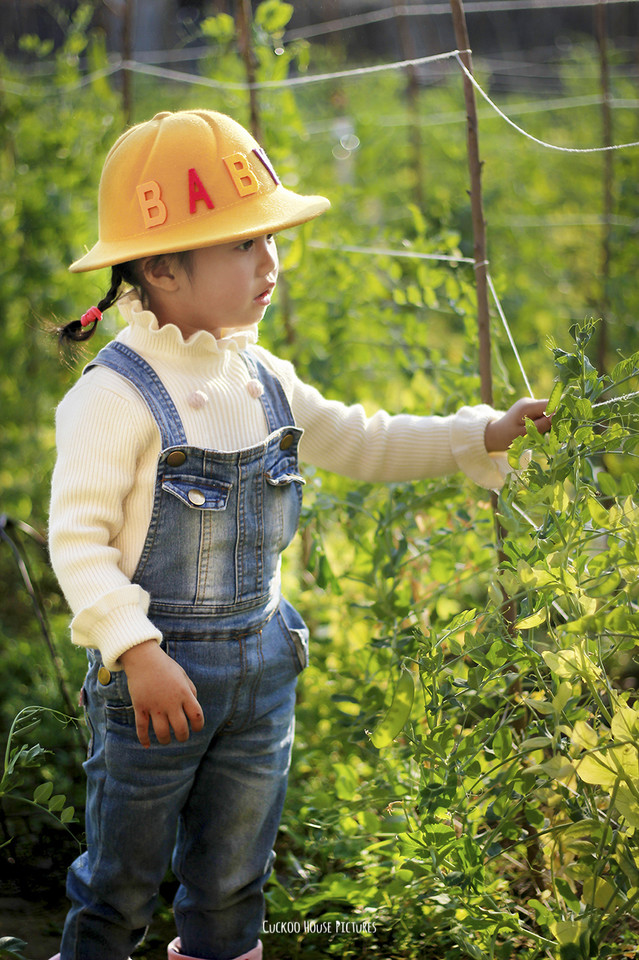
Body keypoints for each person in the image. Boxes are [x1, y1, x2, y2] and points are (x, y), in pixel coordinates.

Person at [48, 109, 551, 960]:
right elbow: (78, 543)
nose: (270, 263)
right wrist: (134, 650)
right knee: (120, 884)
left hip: (262, 670)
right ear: (164, 266)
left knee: (235, 880)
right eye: (244, 245)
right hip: (155, 684)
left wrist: (484, 433)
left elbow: (364, 436)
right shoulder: (115, 396)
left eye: (269, 240)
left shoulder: (261, 374)